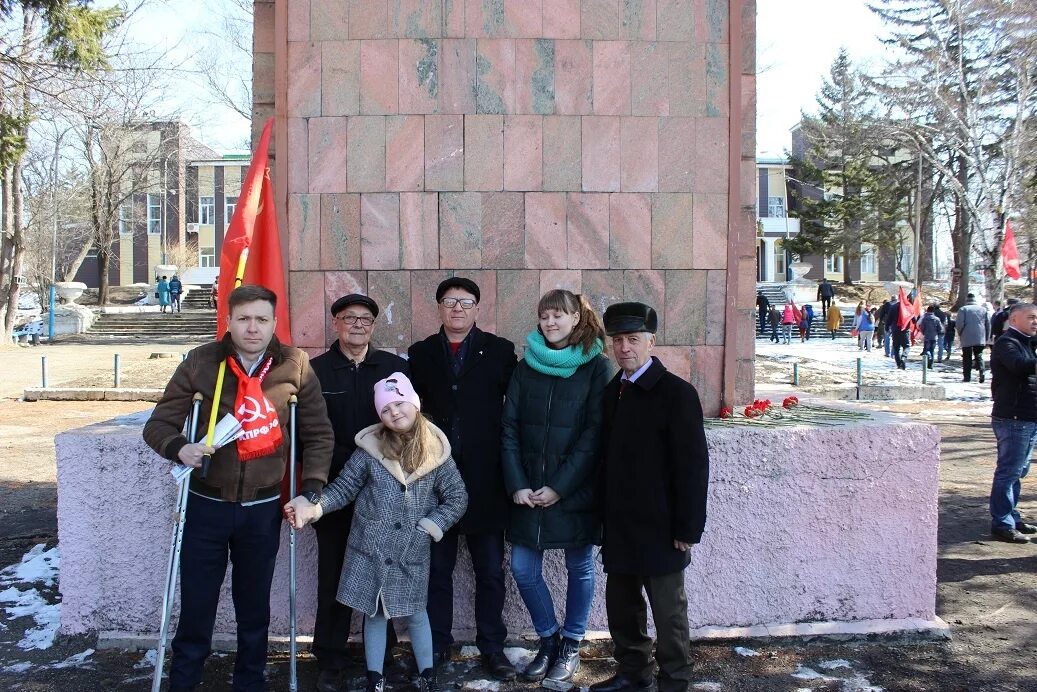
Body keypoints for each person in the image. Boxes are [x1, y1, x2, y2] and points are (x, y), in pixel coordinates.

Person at [142, 284, 334, 692]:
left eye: (261, 319)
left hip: (261, 509)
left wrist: (311, 488)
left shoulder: (294, 365)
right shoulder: (202, 362)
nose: (252, 328)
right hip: (206, 505)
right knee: (197, 604)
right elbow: (158, 424)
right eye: (244, 319)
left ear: (274, 322)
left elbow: (318, 434)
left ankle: (250, 682)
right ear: (229, 321)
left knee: (253, 608)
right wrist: (180, 448)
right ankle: (184, 681)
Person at [286, 372, 468, 692]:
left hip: (412, 549)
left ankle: (427, 674)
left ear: (415, 402)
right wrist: (313, 508)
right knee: (374, 613)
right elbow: (343, 489)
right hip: (371, 548)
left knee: (416, 613)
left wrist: (430, 526)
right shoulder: (370, 451)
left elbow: (457, 498)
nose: (394, 412)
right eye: (386, 409)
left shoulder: (437, 453)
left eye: (400, 403)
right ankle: (376, 677)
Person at [591, 302, 709, 692]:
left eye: (633, 339)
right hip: (620, 526)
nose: (624, 347)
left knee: (668, 612)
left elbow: (692, 467)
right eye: (618, 340)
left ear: (651, 341)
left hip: (662, 527)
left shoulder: (676, 394)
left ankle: (675, 681)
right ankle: (633, 673)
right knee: (622, 609)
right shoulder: (613, 393)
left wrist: (688, 528)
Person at [407, 277, 518, 680]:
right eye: (450, 302)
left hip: (486, 482)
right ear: (439, 308)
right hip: (436, 482)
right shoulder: (419, 354)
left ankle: (493, 646)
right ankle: (437, 644)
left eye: (465, 302)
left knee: (490, 571)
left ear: (476, 308)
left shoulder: (501, 351)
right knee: (437, 569)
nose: (457, 309)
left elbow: (515, 409)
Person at [501, 290, 611, 689]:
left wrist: (560, 487)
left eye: (558, 316)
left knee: (579, 566)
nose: (550, 323)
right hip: (528, 489)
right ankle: (548, 640)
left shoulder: (597, 367)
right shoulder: (525, 365)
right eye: (544, 316)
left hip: (574, 489)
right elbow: (509, 427)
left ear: (576, 319)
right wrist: (517, 483)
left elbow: (594, 435)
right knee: (523, 568)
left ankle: (572, 643)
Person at [308, 294, 409, 692]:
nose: (358, 325)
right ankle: (329, 658)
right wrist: (351, 461)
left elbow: (406, 423)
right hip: (333, 488)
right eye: (350, 318)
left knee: (379, 574)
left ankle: (382, 657)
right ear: (336, 323)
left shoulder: (393, 369)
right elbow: (311, 432)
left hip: (382, 490)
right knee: (332, 573)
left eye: (365, 319)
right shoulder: (314, 371)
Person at [987, 303, 1037, 543]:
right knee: (1008, 472)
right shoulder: (1007, 343)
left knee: (1019, 471)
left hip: (1028, 417)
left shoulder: (1028, 343)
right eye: (1031, 317)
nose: (1035, 322)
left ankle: (1012, 515)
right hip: (1013, 418)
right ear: (1015, 319)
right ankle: (1002, 522)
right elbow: (1019, 367)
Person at [956, 293, 990, 382]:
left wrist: (960, 333)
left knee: (967, 357)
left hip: (967, 335)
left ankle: (967, 377)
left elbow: (960, 324)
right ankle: (982, 371)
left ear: (967, 300)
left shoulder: (963, 309)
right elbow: (988, 324)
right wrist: (986, 337)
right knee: (979, 355)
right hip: (980, 336)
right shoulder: (983, 309)